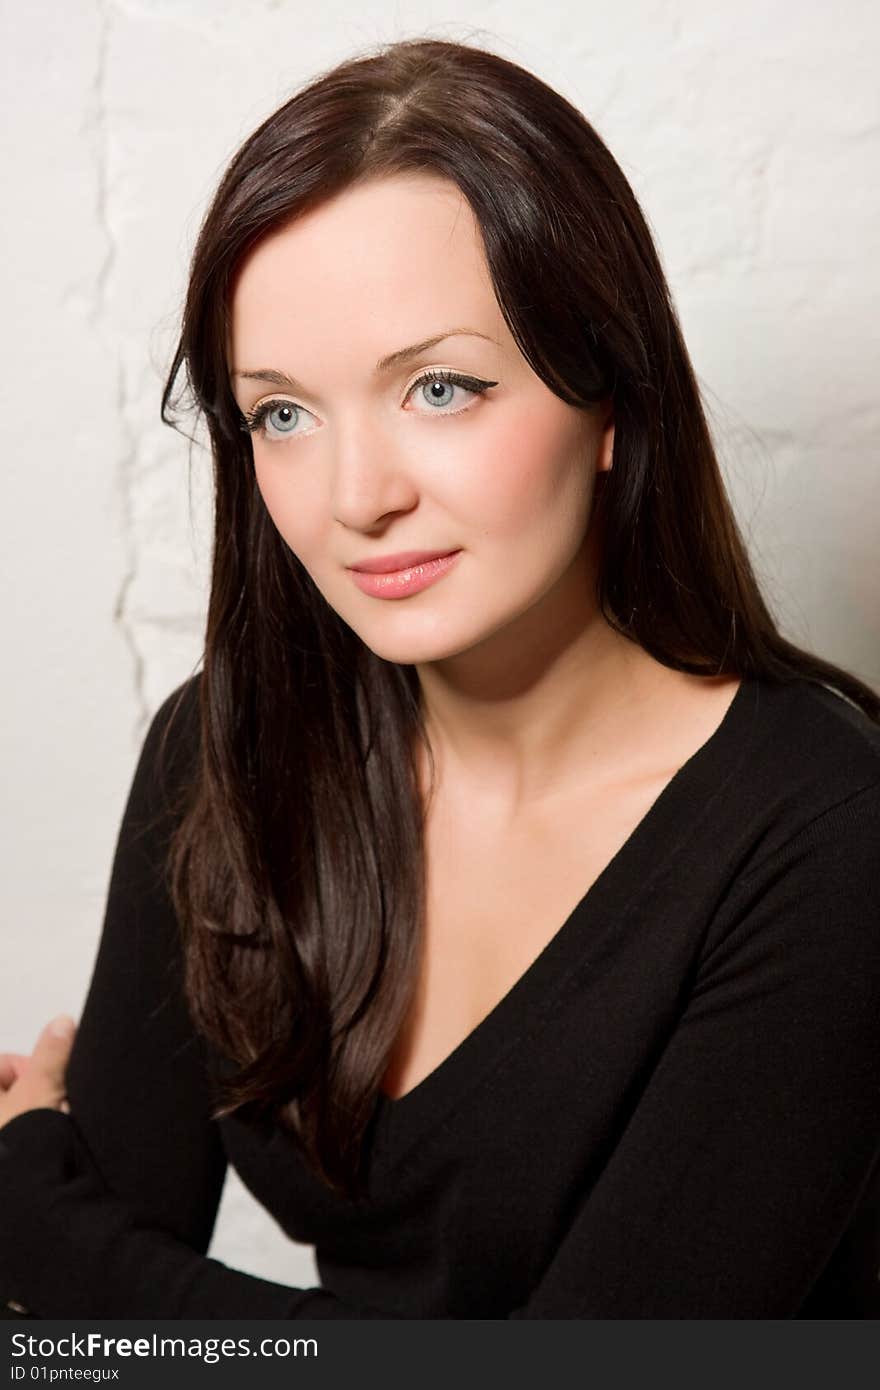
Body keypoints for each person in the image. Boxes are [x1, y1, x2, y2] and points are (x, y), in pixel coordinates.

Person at [1, 36, 878, 1320]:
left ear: (612, 397)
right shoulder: (224, 755)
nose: (358, 498)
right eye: (282, 414)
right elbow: (89, 1358)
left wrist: (37, 1212)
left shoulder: (825, 837)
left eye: (441, 387)